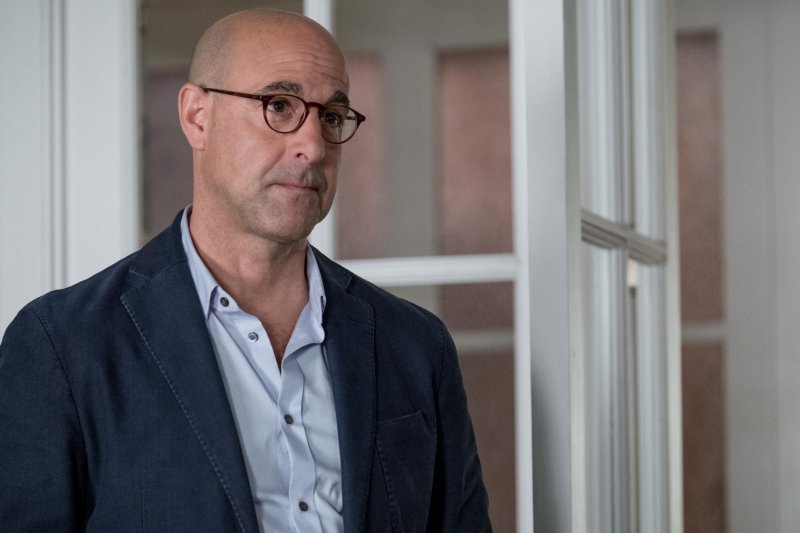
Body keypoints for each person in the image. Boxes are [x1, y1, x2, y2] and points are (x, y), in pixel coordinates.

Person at [0, 8, 491, 533]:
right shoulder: (63, 344)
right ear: (197, 117)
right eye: (278, 105)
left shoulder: (415, 345)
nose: (313, 146)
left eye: (331, 116)